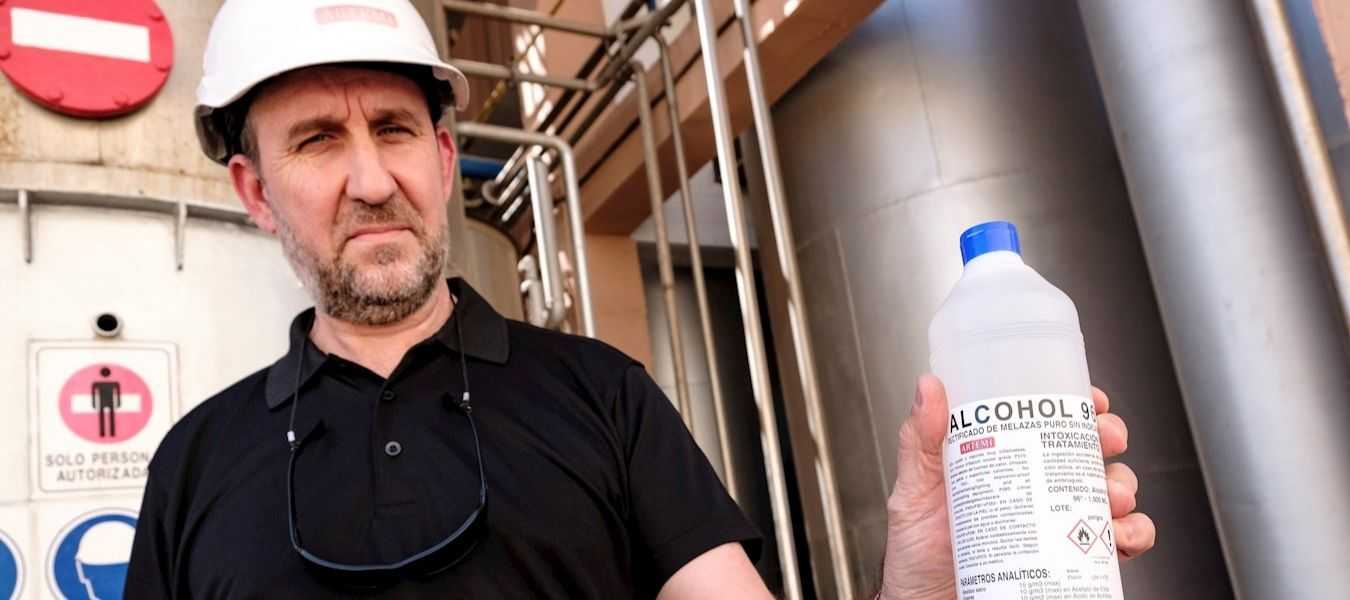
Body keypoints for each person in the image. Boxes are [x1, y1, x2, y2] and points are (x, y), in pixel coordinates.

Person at [125, 0, 1154, 597]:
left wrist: (923, 574)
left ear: (441, 156)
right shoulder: (194, 464)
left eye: (393, 129)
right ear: (254, 190)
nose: (370, 179)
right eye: (317, 141)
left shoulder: (602, 398)